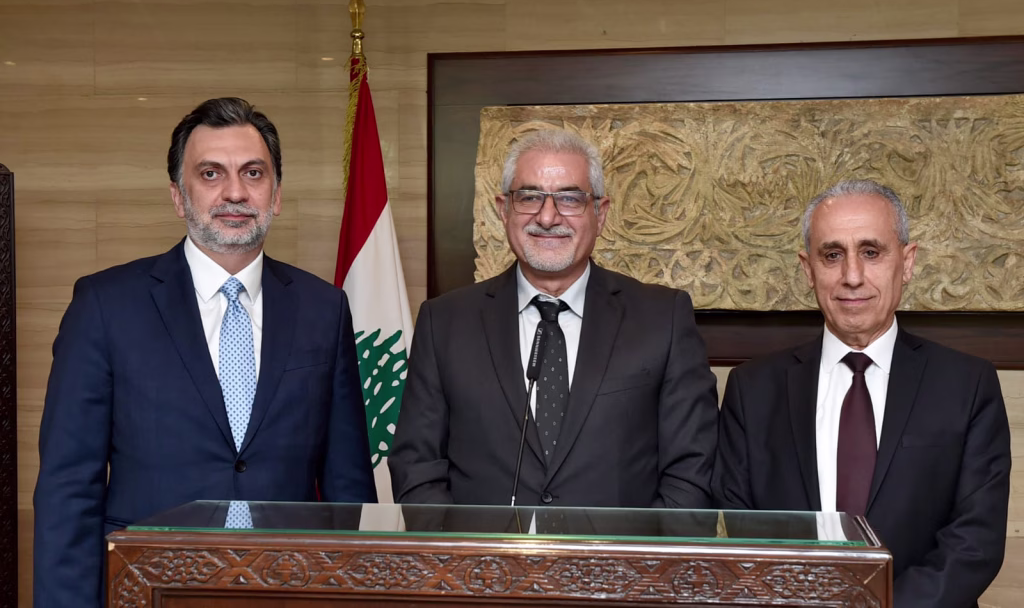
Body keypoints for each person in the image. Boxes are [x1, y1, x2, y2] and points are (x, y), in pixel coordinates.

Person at [33, 97, 375, 608]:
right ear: (178, 196)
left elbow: (349, 488)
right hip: (147, 587)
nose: (235, 192)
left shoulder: (324, 308)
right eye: (211, 173)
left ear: (277, 194)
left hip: (291, 589)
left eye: (253, 173)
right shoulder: (105, 305)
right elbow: (68, 488)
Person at [713, 179, 1010, 607]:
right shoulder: (752, 389)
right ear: (808, 269)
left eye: (871, 252)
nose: (852, 276)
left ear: (907, 262)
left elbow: (974, 543)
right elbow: (740, 534)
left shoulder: (968, 384)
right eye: (832, 255)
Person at [389, 128, 719, 508]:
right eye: (529, 197)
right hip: (482, 548)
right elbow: (417, 469)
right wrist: (464, 547)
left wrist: (633, 549)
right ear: (503, 210)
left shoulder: (663, 318)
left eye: (570, 199)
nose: (547, 217)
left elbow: (691, 473)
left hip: (620, 548)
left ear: (600, 213)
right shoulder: (444, 323)